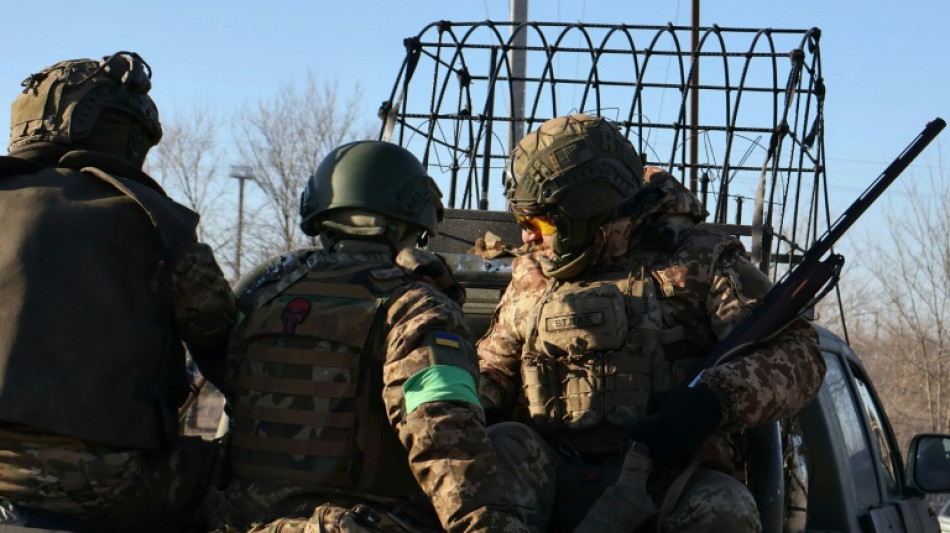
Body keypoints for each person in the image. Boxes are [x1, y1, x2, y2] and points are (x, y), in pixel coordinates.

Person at [476, 114, 826, 532]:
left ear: (588, 210)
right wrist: (467, 403)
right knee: (491, 456)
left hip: (668, 480)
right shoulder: (532, 274)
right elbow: (492, 367)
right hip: (552, 473)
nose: (528, 237)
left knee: (724, 507)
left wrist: (714, 402)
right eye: (522, 221)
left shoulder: (701, 259)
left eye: (541, 222)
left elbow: (798, 354)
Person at [208, 140, 528, 533]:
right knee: (518, 447)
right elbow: (447, 442)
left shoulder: (264, 292)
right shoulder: (413, 308)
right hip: (348, 525)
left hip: (241, 525)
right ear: (415, 222)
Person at [0, 52, 237, 532]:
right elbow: (231, 357)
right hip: (100, 489)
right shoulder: (155, 221)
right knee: (231, 474)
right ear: (130, 135)